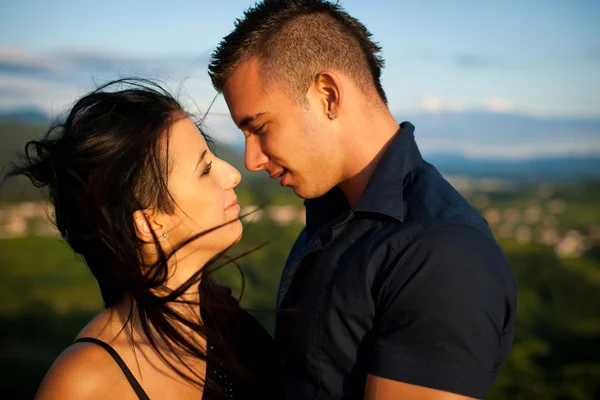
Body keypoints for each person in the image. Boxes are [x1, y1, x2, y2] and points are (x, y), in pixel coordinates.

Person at [208, 1, 517, 399]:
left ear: (328, 95)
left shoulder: (443, 255)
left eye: (260, 127)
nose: (251, 159)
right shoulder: (334, 218)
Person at [4, 79, 277, 399]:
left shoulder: (224, 316)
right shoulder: (82, 386)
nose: (233, 174)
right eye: (205, 170)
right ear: (148, 223)